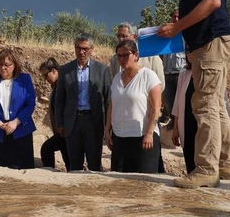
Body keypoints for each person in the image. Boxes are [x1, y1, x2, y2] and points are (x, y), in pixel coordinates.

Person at [157, 0, 230, 188]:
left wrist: (178, 26)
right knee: (214, 104)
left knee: (204, 105)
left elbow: (213, 1)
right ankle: (225, 165)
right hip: (210, 43)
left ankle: (206, 169)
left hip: (211, 42)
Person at [109, 22, 166, 172]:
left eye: (125, 55)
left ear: (135, 55)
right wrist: (107, 130)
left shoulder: (150, 68)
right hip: (120, 136)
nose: (121, 59)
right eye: (119, 56)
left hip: (143, 132)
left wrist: (149, 133)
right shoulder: (116, 77)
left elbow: (156, 103)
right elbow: (112, 103)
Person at [172, 49, 230, 174]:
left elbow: (223, 104)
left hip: (205, 124)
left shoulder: (212, 74)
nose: (190, 54)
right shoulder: (183, 75)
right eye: (187, 51)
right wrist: (175, 128)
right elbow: (177, 103)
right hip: (187, 123)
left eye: (193, 50)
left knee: (206, 156)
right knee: (190, 161)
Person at [55, 33, 111, 172]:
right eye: (78, 48)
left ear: (92, 49)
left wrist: (108, 125)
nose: (81, 52)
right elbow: (59, 99)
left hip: (93, 121)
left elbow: (108, 99)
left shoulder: (102, 70)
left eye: (85, 48)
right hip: (72, 122)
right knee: (74, 163)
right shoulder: (65, 70)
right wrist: (59, 123)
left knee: (94, 162)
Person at [0, 49, 36, 169]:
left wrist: (16, 122)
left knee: (23, 166)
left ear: (15, 65)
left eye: (7, 65)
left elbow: (30, 104)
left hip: (21, 131)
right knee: (1, 169)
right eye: (0, 64)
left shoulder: (25, 79)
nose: (3, 68)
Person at [109, 23, 165, 91]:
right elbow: (113, 86)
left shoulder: (151, 57)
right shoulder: (114, 60)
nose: (121, 39)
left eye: (124, 36)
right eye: (119, 36)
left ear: (134, 37)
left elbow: (160, 84)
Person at [38, 58, 69, 171]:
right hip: (61, 131)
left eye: (46, 75)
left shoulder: (64, 85)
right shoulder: (56, 86)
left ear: (54, 71)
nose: (45, 79)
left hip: (66, 132)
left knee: (46, 148)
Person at [162, 10, 186, 129]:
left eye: (178, 16)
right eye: (174, 16)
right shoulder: (167, 33)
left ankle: (180, 123)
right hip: (167, 71)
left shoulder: (186, 33)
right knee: (167, 99)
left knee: (180, 100)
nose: (176, 19)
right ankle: (172, 120)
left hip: (180, 71)